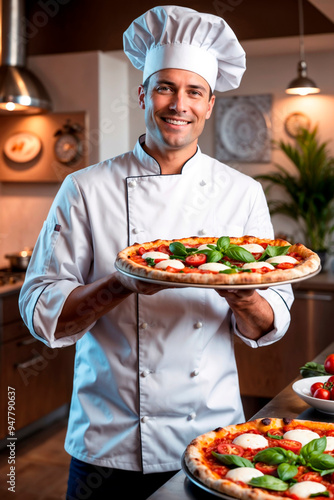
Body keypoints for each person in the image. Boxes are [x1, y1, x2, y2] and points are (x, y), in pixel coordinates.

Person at [19, 5, 294, 499]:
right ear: (143, 93)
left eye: (194, 92)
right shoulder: (85, 188)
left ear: (210, 104)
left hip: (214, 437)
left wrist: (244, 294)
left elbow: (268, 322)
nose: (178, 104)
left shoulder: (243, 192)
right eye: (165, 87)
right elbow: (43, 311)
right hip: (108, 440)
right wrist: (120, 284)